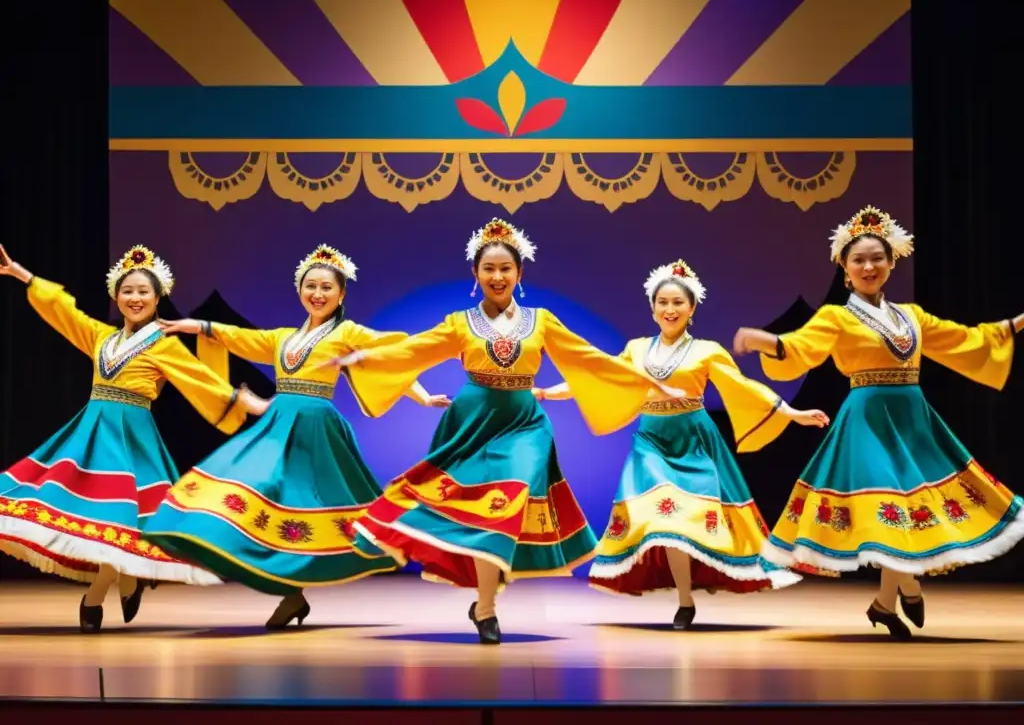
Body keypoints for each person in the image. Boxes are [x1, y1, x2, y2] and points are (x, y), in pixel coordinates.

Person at [323, 218, 687, 644]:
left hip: (524, 424)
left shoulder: (542, 321)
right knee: (478, 509)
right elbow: (414, 349)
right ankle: (486, 605)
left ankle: (486, 604)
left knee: (509, 494)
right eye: (488, 269)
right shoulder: (460, 323)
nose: (497, 277)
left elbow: (591, 359)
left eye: (505, 269)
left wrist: (652, 382)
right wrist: (362, 359)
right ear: (475, 275)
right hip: (472, 422)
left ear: (520, 274)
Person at [732, 205, 1024, 639]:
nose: (869, 266)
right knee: (887, 504)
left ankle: (886, 602)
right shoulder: (837, 316)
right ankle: (904, 583)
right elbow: (801, 346)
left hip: (912, 420)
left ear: (891, 264)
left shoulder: (912, 316)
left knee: (910, 504)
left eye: (877, 258)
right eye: (859, 260)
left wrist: (1013, 326)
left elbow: (962, 339)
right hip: (867, 421)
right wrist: (765, 342)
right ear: (845, 271)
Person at [143, 244, 451, 630]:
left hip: (316, 430)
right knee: (256, 489)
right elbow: (239, 338)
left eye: (326, 287)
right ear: (299, 290)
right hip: (278, 423)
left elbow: (393, 354)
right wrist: (197, 326)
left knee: (303, 504)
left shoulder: (348, 332)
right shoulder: (282, 338)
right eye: (310, 286)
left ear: (341, 295)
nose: (318, 294)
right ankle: (290, 593)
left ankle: (295, 591)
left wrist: (422, 397)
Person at [534, 259, 828, 629]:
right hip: (651, 441)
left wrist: (791, 412)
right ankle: (685, 599)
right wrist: (547, 392)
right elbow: (600, 379)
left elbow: (743, 388)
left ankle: (687, 600)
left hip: (693, 439)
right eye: (663, 303)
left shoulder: (707, 351)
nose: (670, 310)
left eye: (678, 303)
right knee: (660, 514)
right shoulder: (637, 350)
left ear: (691, 309)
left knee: (688, 519)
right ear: (653, 308)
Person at [0, 243, 269, 632]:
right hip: (93, 434)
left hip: (132, 439)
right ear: (116, 296)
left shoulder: (163, 344)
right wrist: (24, 276)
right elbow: (63, 313)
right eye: (128, 291)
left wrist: (247, 402)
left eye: (144, 291)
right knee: (102, 515)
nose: (135, 298)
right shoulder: (100, 337)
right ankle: (127, 579)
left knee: (122, 517)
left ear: (158, 298)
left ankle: (97, 593)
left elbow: (200, 379)